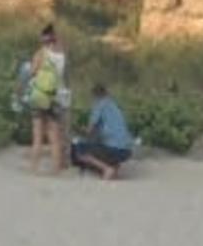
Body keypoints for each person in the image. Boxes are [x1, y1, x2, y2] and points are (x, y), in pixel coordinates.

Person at [27, 23, 69, 174]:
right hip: (55, 97)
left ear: (44, 38)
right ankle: (56, 169)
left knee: (37, 135)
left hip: (39, 96)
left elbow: (31, 72)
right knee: (54, 136)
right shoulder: (62, 55)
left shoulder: (40, 53)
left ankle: (33, 168)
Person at [73, 83, 134, 180]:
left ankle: (106, 169)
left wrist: (76, 128)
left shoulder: (99, 105)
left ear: (94, 95)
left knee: (80, 149)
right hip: (128, 150)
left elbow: (89, 131)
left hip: (114, 149)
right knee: (105, 144)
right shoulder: (114, 105)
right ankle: (114, 169)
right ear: (106, 93)